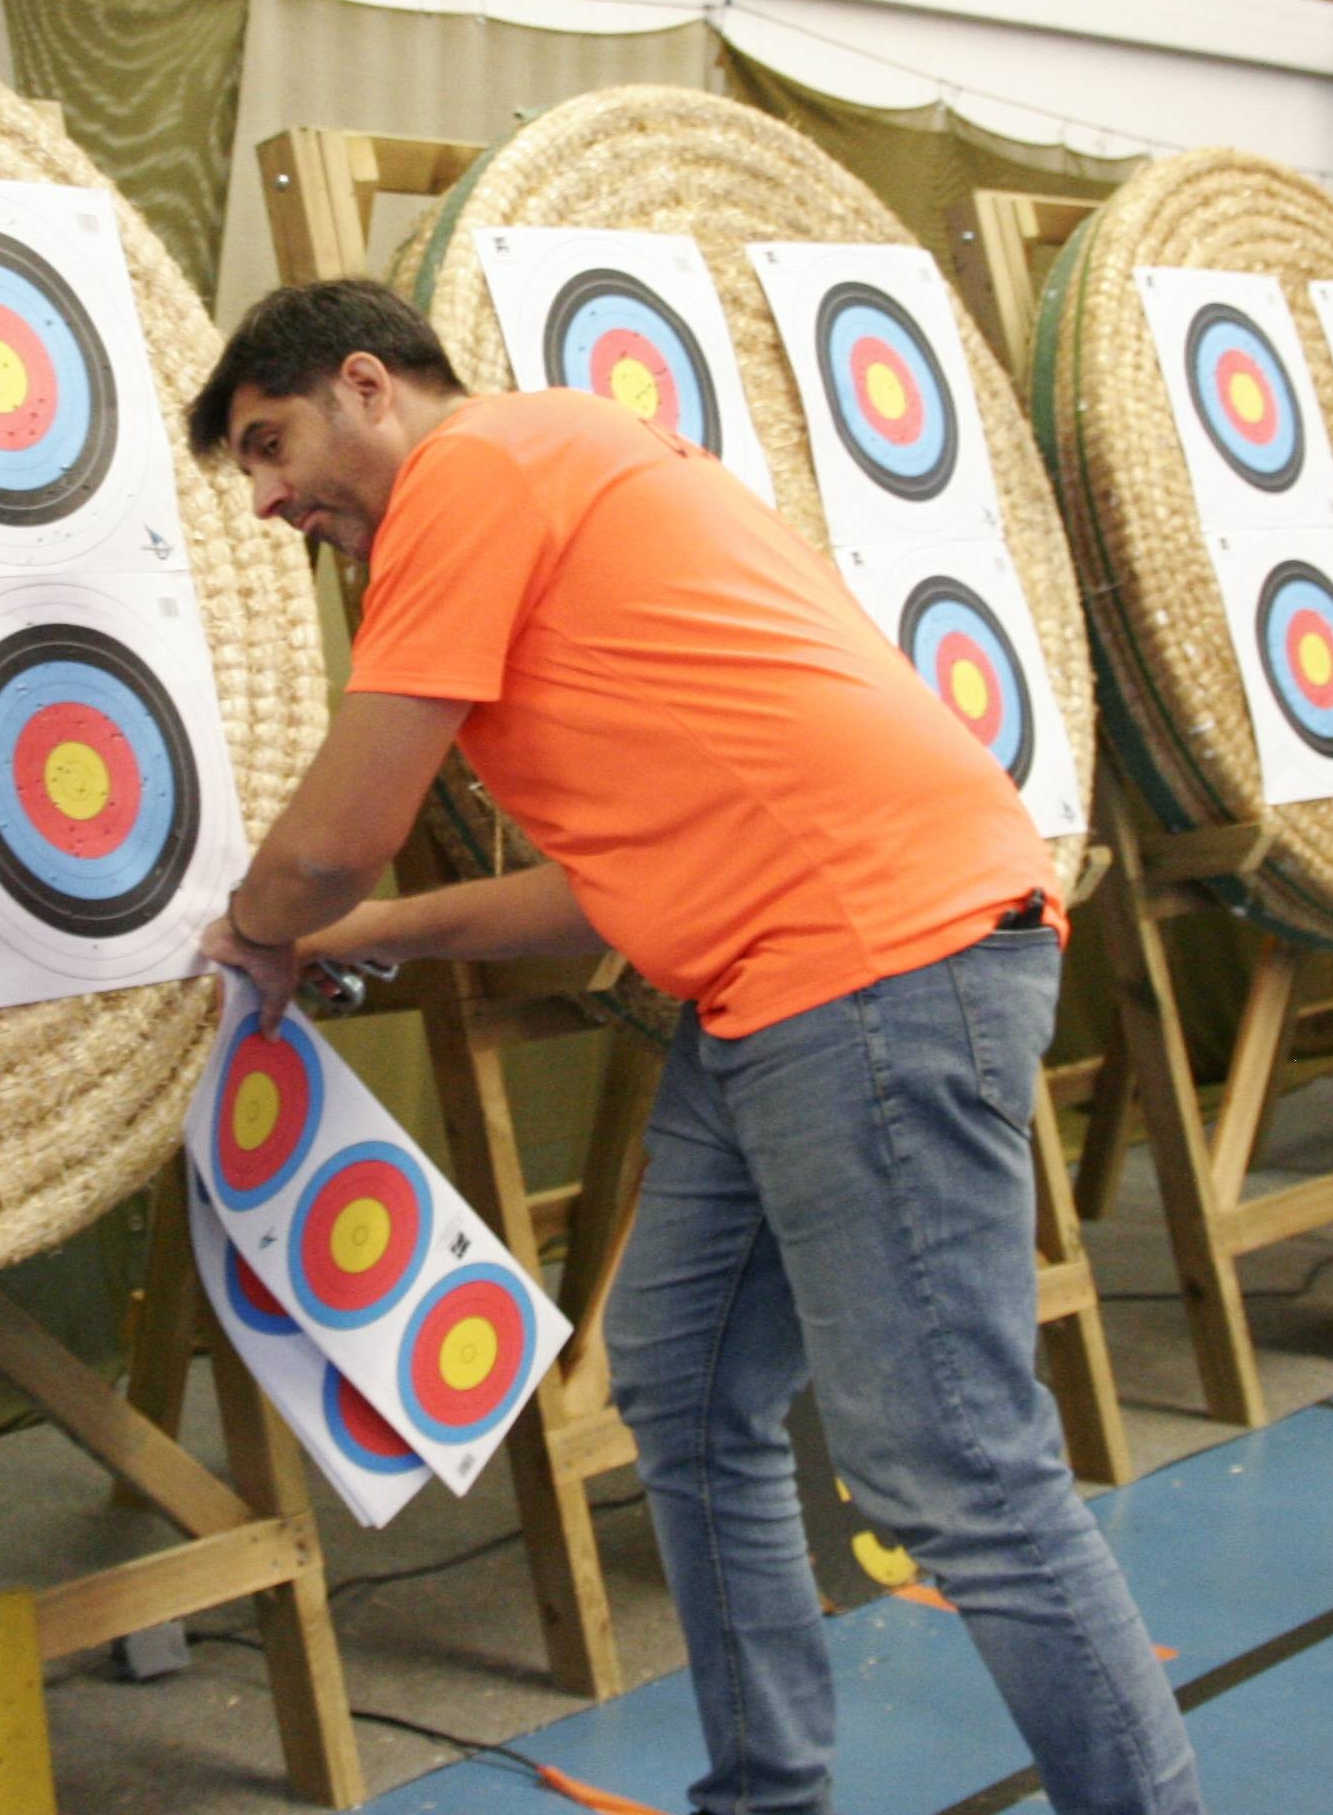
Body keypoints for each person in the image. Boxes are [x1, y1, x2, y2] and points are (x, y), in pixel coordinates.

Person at [186, 277, 1201, 1815]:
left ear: (369, 384)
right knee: (685, 1379)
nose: (269, 499)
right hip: (789, 978)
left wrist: (271, 921)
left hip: (868, 965)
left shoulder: (469, 472)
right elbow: (611, 880)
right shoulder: (563, 466)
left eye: (273, 444)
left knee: (958, 1471)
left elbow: (340, 834)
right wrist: (349, 940)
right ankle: (764, 1796)